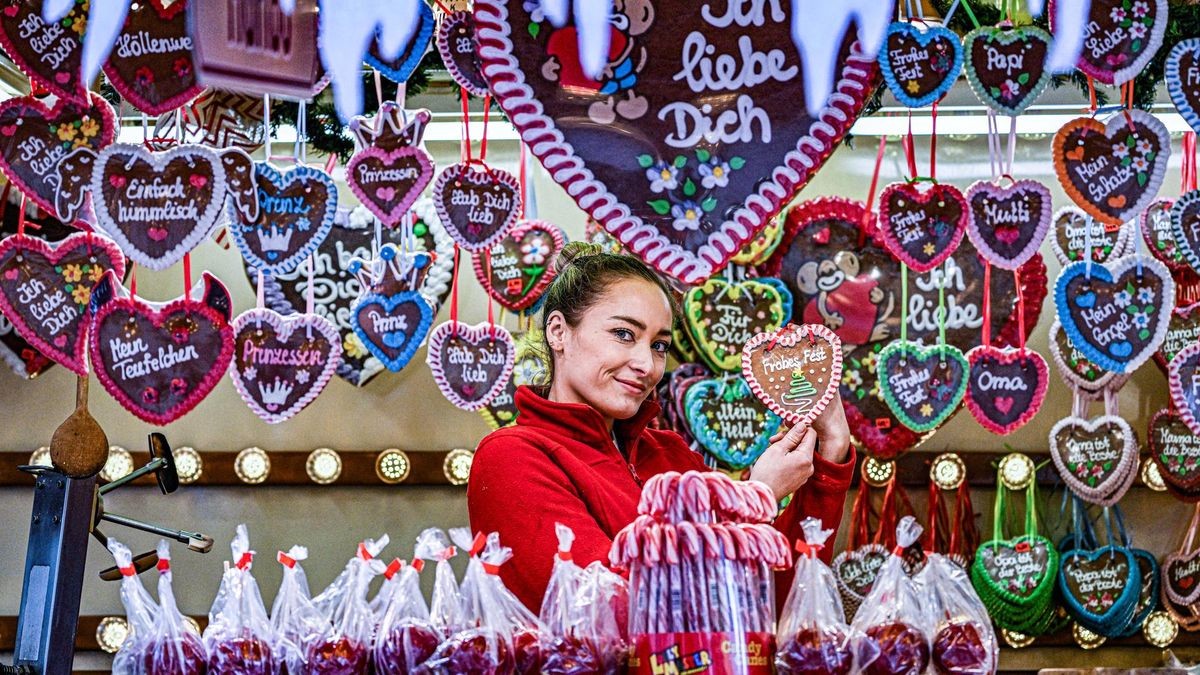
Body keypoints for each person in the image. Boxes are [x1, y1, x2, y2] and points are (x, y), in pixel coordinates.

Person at [467, 242, 857, 612]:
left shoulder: (671, 455)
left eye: (659, 345)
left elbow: (770, 604)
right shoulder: (511, 457)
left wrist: (830, 451)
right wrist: (756, 496)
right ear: (558, 332)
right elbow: (607, 612)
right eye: (624, 335)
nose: (646, 364)